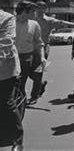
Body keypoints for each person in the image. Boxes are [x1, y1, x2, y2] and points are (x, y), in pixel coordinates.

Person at [32, 1, 74, 104]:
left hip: (44, 47)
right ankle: (40, 84)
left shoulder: (49, 20)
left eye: (41, 7)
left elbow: (61, 22)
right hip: (30, 48)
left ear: (45, 9)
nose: (39, 9)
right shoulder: (32, 19)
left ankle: (35, 94)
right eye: (37, 7)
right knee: (29, 71)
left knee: (40, 70)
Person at [0, 9, 23, 150]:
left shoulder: (7, 18)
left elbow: (6, 43)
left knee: (6, 102)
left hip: (5, 69)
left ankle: (18, 141)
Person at [15, 1, 44, 107]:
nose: (35, 14)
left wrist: (43, 57)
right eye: (33, 11)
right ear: (25, 11)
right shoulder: (10, 22)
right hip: (9, 57)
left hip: (25, 57)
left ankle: (19, 106)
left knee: (21, 83)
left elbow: (39, 43)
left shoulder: (34, 25)